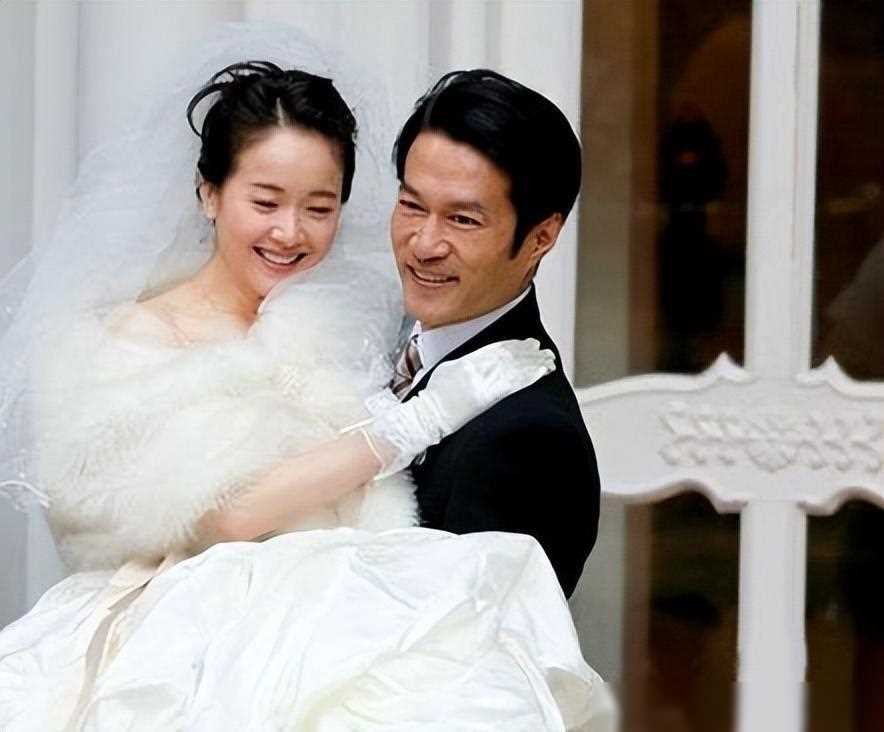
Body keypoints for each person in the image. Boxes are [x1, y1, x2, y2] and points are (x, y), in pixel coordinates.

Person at [0, 27, 615, 731]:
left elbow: (475, 645)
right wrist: (410, 425)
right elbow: (210, 514)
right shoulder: (134, 343)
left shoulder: (488, 406)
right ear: (209, 192)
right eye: (264, 202)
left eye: (319, 208)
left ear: (541, 235)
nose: (290, 233)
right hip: (184, 667)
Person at [390, 70, 601, 597]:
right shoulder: (382, 336)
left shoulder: (528, 438)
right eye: (412, 205)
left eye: (462, 220)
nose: (424, 244)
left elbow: (463, 638)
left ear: (541, 237)